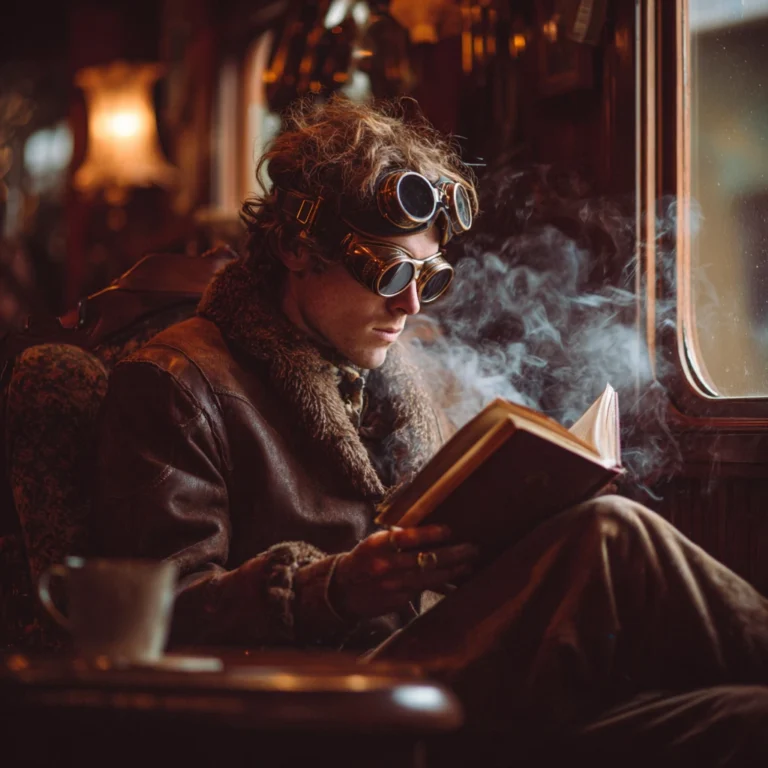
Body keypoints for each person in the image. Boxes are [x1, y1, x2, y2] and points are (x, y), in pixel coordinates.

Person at [93, 97, 768, 767]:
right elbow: (153, 620)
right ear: (296, 248)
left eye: (428, 278)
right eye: (387, 271)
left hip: (450, 688)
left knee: (745, 719)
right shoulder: (176, 383)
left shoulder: (406, 374)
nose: (409, 306)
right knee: (613, 534)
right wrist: (331, 589)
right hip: (319, 711)